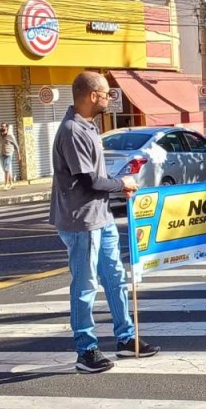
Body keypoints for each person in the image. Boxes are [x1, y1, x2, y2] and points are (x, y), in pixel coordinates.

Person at [50, 71, 160, 373]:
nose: (111, 99)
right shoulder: (72, 130)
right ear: (91, 96)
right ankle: (85, 350)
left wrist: (116, 186)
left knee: (115, 278)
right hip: (81, 221)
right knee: (85, 286)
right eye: (106, 93)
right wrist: (121, 182)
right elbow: (87, 181)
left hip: (101, 216)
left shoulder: (87, 126)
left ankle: (126, 338)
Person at [0, 123, 21, 190]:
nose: (2, 128)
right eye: (1, 126)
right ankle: (11, 182)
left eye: (3, 126)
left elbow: (16, 146)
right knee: (5, 169)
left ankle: (6, 184)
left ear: (7, 128)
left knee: (6, 168)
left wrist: (19, 155)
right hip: (1, 154)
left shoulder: (10, 136)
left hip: (9, 154)